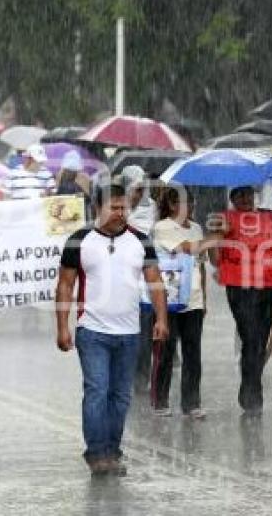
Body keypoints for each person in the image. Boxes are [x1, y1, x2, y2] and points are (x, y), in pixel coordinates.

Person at [55, 184, 169, 476]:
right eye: (114, 208)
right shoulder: (79, 240)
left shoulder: (140, 241)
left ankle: (112, 451)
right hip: (91, 331)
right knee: (97, 391)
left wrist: (161, 319)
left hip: (130, 333)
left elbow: (155, 282)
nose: (120, 214)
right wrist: (62, 327)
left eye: (123, 208)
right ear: (98, 208)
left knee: (121, 396)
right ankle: (96, 454)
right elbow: (65, 285)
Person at [208, 186, 272, 416]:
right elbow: (215, 260)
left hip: (269, 288)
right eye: (240, 195)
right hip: (240, 290)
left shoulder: (268, 217)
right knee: (250, 337)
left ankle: (251, 385)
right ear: (232, 199)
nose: (246, 199)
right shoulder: (223, 220)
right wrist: (217, 236)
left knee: (260, 341)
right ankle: (252, 393)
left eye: (249, 193)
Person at [150, 186, 208, 419]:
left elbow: (201, 264)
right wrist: (217, 237)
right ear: (173, 206)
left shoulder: (196, 228)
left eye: (192, 203)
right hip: (170, 299)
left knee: (193, 352)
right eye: (186, 203)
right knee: (167, 349)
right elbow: (186, 249)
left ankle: (191, 402)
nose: (191, 207)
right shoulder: (163, 227)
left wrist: (204, 298)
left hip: (193, 299)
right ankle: (160, 399)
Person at [118, 165, 158, 393]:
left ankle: (141, 378)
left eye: (143, 187)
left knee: (144, 330)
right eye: (135, 187)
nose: (140, 192)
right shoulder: (116, 208)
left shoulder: (152, 208)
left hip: (145, 278)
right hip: (122, 278)